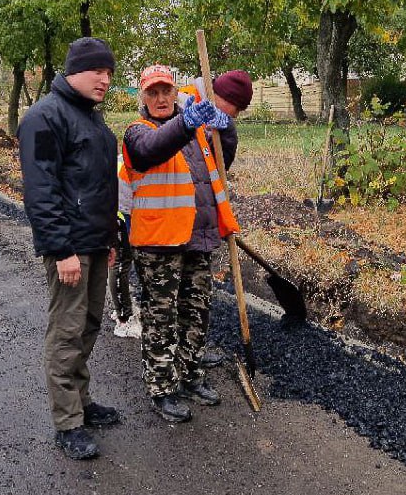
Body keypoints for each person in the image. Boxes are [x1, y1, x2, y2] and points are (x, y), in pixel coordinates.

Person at [121, 65, 248, 423]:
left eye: (166, 91)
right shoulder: (137, 133)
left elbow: (223, 165)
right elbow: (154, 150)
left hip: (197, 236)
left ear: (176, 92)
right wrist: (187, 123)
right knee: (160, 318)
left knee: (196, 313)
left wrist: (227, 130)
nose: (160, 99)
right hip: (158, 244)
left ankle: (191, 376)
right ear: (142, 97)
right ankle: (162, 389)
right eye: (152, 92)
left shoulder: (197, 131)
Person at [17, 37, 121, 460]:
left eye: (110, 73)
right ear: (74, 70)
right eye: (98, 70)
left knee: (90, 325)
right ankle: (67, 422)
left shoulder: (91, 119)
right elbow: (41, 191)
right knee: (67, 331)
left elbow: (99, 185)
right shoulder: (44, 118)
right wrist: (61, 250)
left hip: (96, 243)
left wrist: (110, 239)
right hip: (70, 247)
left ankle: (81, 399)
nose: (105, 79)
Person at [109, 153, 141, 339]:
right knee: (120, 264)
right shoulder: (128, 163)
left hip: (120, 211)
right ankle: (124, 319)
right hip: (120, 215)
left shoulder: (123, 157)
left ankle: (121, 308)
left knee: (120, 263)